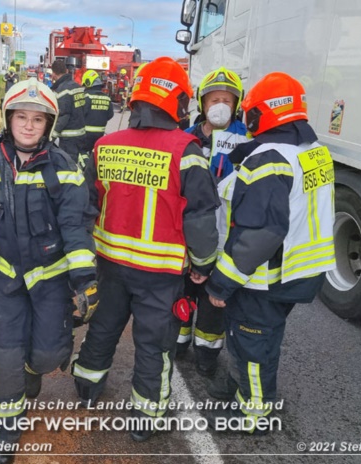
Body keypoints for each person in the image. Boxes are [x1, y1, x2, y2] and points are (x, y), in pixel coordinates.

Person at [0, 78, 97, 464]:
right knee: (5, 361)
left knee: (47, 355)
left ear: (49, 125)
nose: (28, 125)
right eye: (22, 117)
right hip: (4, 281)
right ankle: (4, 435)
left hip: (50, 282)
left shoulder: (65, 169)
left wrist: (85, 281)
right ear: (9, 119)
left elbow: (76, 228)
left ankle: (35, 368)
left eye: (38, 119)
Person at [72, 57, 220, 442]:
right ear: (179, 103)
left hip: (110, 264)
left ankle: (87, 384)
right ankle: (146, 417)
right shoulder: (186, 151)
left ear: (136, 99)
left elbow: (86, 205)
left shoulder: (106, 146)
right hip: (160, 274)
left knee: (104, 326)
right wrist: (203, 265)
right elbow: (201, 219)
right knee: (154, 344)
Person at [204, 72, 336, 434]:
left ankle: (254, 414)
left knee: (252, 343)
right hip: (301, 270)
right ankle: (241, 391)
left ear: (260, 116)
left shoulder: (269, 160)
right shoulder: (312, 152)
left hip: (267, 277)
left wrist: (221, 284)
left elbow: (260, 234)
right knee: (263, 338)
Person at [176, 67, 250, 377]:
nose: (219, 104)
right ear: (202, 103)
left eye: (226, 99)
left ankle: (207, 356)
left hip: (224, 237)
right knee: (181, 296)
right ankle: (177, 344)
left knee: (213, 305)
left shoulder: (249, 142)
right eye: (213, 98)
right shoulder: (183, 139)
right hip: (186, 234)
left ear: (237, 104)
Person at [50, 60, 86, 163]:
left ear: (53, 74)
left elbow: (63, 116)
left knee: (67, 166)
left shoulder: (62, 91)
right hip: (81, 133)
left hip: (68, 138)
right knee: (77, 163)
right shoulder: (77, 87)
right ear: (66, 70)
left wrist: (51, 137)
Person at [80, 69, 113, 158]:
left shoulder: (86, 96)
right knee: (94, 153)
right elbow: (110, 114)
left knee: (81, 151)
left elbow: (81, 113)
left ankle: (85, 168)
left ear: (88, 82)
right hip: (100, 133)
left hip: (86, 133)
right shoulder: (107, 98)